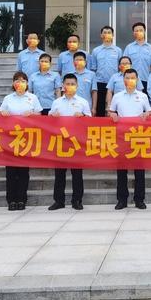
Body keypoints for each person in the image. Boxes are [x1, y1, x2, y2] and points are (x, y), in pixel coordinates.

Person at [109, 68, 151, 209]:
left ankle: (139, 199)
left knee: (139, 170)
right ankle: (122, 199)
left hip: (138, 136)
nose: (130, 80)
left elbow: (150, 112)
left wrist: (146, 115)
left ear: (137, 80)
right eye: (127, 78)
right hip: (122, 136)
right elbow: (111, 112)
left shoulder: (142, 96)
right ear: (123, 80)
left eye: (133, 78)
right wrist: (112, 115)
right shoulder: (117, 96)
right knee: (122, 170)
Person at [48, 74, 92, 211]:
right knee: (59, 173)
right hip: (60, 141)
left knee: (77, 173)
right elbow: (48, 120)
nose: (70, 86)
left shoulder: (83, 102)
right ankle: (58, 201)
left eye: (73, 84)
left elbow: (90, 121)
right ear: (63, 86)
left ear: (77, 86)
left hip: (76, 141)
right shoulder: (57, 102)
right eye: (67, 84)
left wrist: (82, 116)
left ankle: (77, 200)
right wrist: (52, 116)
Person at [0, 71, 41, 211]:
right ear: (13, 83)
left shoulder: (32, 97)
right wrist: (3, 114)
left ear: (27, 83)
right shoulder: (8, 98)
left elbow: (39, 114)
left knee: (23, 171)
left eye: (23, 80)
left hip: (26, 137)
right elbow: (0, 113)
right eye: (17, 80)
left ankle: (22, 199)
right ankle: (11, 200)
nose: (20, 83)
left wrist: (32, 114)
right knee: (10, 171)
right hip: (10, 138)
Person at [89, 25, 122, 117]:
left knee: (113, 108)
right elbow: (93, 68)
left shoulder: (118, 50)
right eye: (105, 32)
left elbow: (121, 68)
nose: (107, 34)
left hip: (114, 83)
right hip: (100, 82)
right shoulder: (96, 51)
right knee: (100, 107)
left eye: (109, 33)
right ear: (101, 35)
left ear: (113, 35)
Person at [124, 22, 151, 91]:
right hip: (131, 81)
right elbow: (125, 65)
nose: (139, 32)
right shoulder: (129, 47)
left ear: (144, 32)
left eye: (141, 30)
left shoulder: (150, 48)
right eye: (136, 31)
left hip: (146, 81)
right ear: (133, 33)